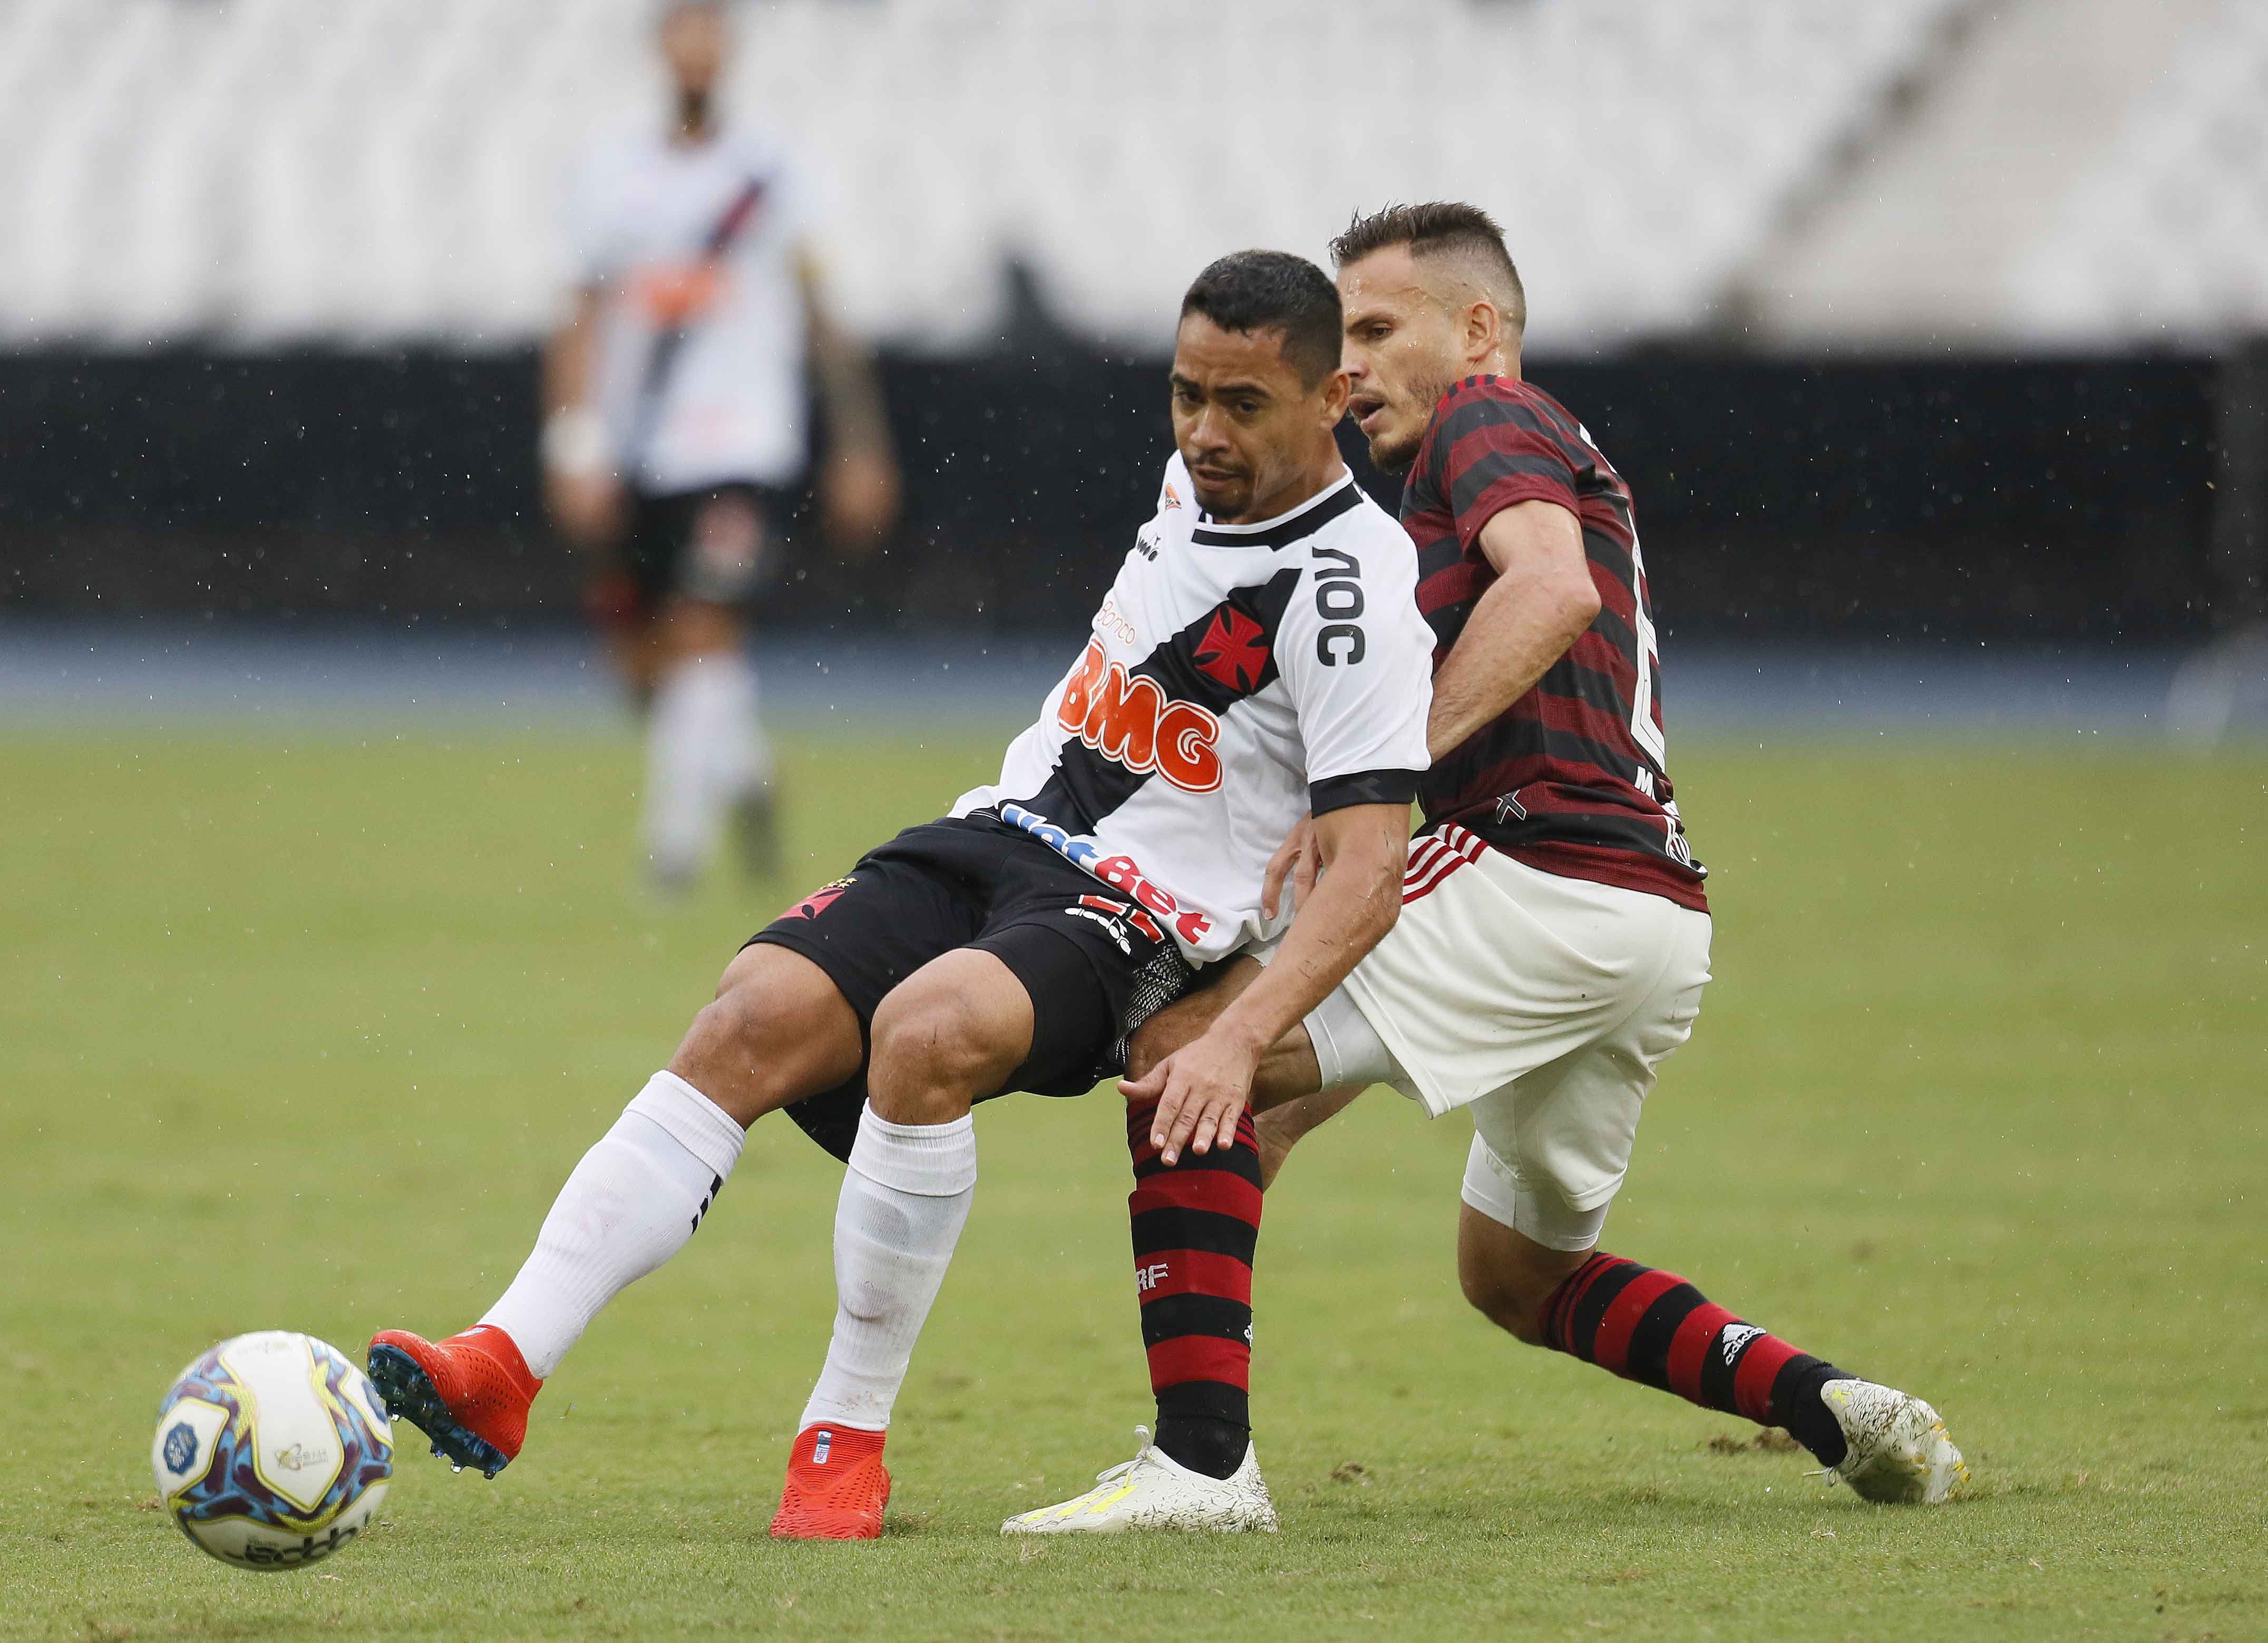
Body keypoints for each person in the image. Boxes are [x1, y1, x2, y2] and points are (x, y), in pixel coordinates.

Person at [367, 250, 1438, 1541]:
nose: (1206, 432)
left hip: (1137, 910)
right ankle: (503, 1362)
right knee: (750, 1009)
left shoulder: (1348, 589)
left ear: (1333, 399)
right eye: (1185, 395)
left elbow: (1372, 861)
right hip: (998, 834)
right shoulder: (1195, 480)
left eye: (1244, 405)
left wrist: (1238, 1029)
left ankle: (844, 1435)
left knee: (925, 1033)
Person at [1010, 203, 1968, 1536]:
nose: (1347, 371)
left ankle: (1202, 1473)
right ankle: (1837, 1407)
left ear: (1477, 331)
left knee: (1190, 1052)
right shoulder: (1451, 477)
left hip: (1540, 869)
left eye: (1376, 331)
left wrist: (1380, 782)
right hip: (1644, 921)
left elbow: (1552, 588)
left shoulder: (1487, 418)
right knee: (1514, 1274)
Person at [542, 0, 900, 891]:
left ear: (728, 47)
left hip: (741, 442)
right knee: (641, 663)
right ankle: (744, 770)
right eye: (683, 27)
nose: (698, 46)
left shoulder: (774, 169)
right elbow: (580, 316)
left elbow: (822, 310)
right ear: (662, 45)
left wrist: (860, 443)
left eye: (712, 28)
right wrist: (574, 442)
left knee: (704, 628)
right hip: (638, 448)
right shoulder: (610, 170)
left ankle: (675, 852)